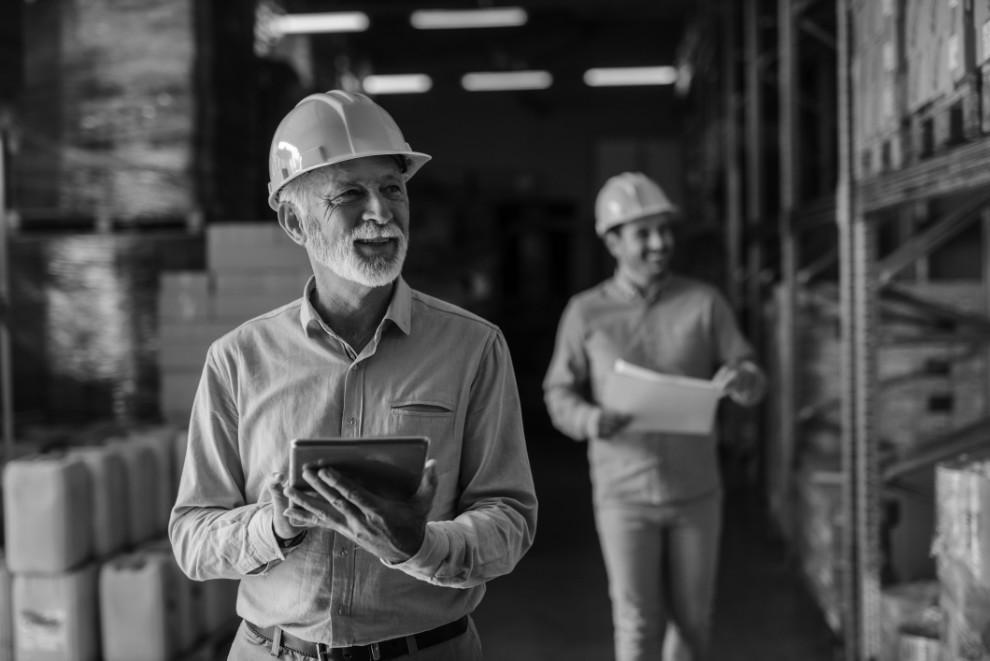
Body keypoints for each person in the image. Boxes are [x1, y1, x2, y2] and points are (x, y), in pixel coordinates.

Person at [169, 90, 538, 661]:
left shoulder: (473, 348)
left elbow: (509, 519)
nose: (381, 212)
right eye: (349, 194)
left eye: (392, 188)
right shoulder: (238, 359)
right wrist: (276, 525)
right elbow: (193, 538)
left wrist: (422, 544)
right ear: (294, 221)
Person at [542, 172, 766, 661]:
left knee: (693, 623)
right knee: (637, 624)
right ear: (613, 241)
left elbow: (749, 371)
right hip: (624, 497)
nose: (660, 243)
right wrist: (590, 420)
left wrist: (744, 380)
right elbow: (558, 392)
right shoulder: (585, 313)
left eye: (665, 230)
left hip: (696, 494)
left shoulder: (704, 303)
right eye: (644, 233)